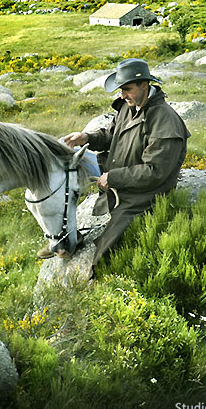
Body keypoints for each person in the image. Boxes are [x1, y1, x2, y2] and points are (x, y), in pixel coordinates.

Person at [47, 58, 190, 269]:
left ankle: (94, 280)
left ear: (145, 85)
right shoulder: (128, 105)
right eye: (121, 90)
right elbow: (111, 134)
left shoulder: (165, 122)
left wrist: (113, 178)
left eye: (127, 89)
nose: (122, 95)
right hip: (120, 180)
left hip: (144, 195)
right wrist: (86, 137)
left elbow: (154, 172)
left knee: (106, 248)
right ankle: (62, 240)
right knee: (64, 177)